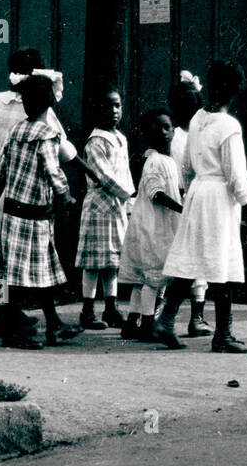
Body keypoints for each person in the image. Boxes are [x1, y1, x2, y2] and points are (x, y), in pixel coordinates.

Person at [154, 61, 247, 353]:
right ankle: (223, 335)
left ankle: (165, 318)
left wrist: (192, 194)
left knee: (192, 259)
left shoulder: (199, 118)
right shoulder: (229, 126)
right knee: (220, 265)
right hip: (219, 198)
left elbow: (187, 164)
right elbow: (236, 174)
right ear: (233, 91)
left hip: (198, 193)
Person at [0, 75, 82, 348]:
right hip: (35, 216)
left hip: (11, 214)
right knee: (29, 276)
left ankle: (46, 323)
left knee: (6, 273)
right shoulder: (47, 135)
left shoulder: (17, 131)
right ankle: (11, 331)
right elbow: (53, 171)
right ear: (51, 102)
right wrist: (65, 196)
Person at [118, 109, 184, 343]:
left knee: (145, 278)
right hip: (153, 227)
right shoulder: (154, 161)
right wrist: (182, 209)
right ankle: (147, 323)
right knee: (153, 277)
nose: (165, 132)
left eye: (168, 127)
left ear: (174, 130)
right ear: (147, 133)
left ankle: (131, 321)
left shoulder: (169, 161)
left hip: (158, 225)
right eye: (158, 128)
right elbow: (156, 194)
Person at [75, 87, 135, 329]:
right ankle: (87, 310)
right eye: (107, 106)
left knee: (112, 260)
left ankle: (111, 307)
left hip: (117, 206)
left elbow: (125, 173)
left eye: (117, 105)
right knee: (94, 261)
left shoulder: (120, 138)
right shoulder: (96, 142)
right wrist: (129, 193)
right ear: (96, 110)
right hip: (99, 206)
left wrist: (129, 202)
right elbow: (105, 177)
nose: (113, 111)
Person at [167, 70, 211, 335]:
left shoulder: (198, 133)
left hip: (193, 200)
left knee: (199, 261)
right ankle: (157, 314)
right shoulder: (170, 136)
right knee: (173, 261)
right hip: (173, 202)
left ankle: (197, 316)